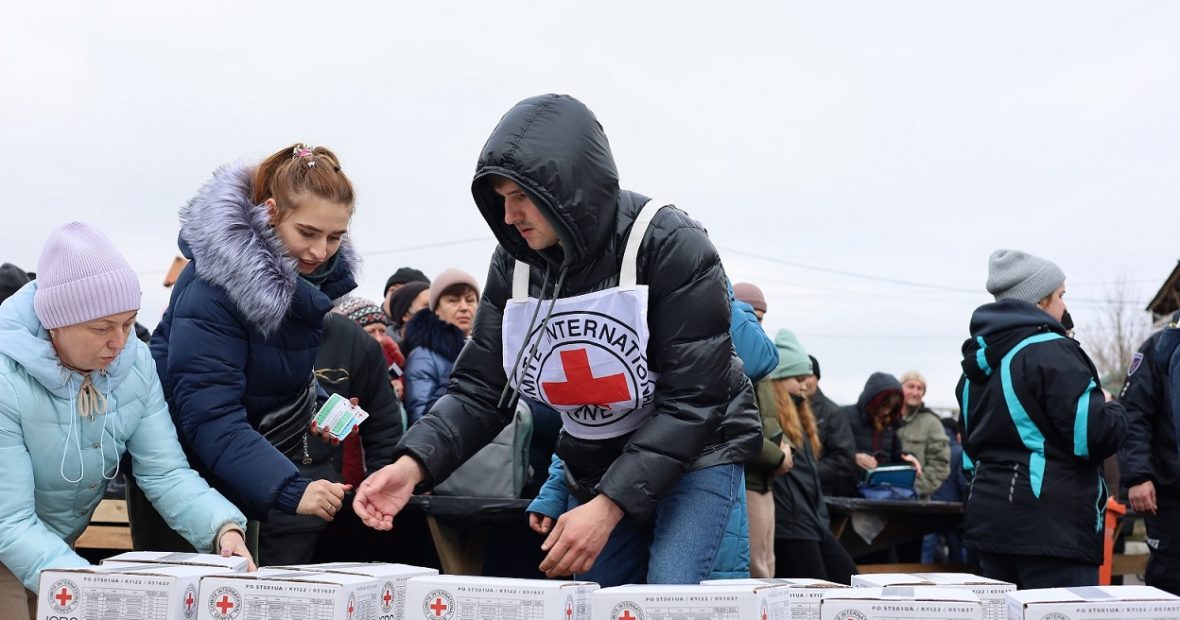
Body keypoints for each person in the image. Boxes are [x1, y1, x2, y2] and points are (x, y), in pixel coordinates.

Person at [354, 94, 761, 586]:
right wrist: (412, 464)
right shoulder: (514, 261)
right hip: (596, 460)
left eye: (522, 197)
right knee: (595, 602)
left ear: (570, 189)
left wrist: (608, 506)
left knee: (667, 597)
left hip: (698, 453)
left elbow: (697, 399)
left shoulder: (669, 243)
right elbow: (481, 389)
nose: (509, 216)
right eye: (501, 198)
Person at [0, 223, 252, 619]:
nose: (120, 341)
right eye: (101, 328)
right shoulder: (5, 380)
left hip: (55, 545)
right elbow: (9, 520)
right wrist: (87, 586)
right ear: (55, 322)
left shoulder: (134, 364)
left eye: (128, 321)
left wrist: (222, 526)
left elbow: (165, 471)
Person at [139, 144, 359, 565]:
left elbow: (268, 375)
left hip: (236, 472)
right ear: (271, 213)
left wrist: (316, 406)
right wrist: (290, 486)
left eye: (336, 237)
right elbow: (208, 412)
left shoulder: (301, 284)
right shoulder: (213, 290)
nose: (321, 251)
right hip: (183, 483)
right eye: (308, 233)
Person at [956, 249, 1125, 588]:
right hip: (1052, 530)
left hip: (989, 524)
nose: (1064, 307)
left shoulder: (974, 368)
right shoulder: (1051, 350)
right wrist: (1112, 406)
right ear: (1040, 301)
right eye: (1061, 296)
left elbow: (970, 456)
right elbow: (1092, 437)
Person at [763, 330, 857, 583]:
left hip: (810, 520)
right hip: (791, 523)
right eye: (798, 378)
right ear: (779, 380)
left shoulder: (800, 418)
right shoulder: (773, 419)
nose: (806, 384)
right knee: (818, 590)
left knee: (848, 579)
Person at [1129, 320, 1180, 594]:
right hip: (1171, 496)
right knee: (1169, 584)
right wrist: (1139, 476)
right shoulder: (1158, 348)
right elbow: (1135, 415)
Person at [402, 268, 480, 426]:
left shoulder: (488, 348)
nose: (464, 307)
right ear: (436, 309)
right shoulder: (424, 354)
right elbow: (420, 418)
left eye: (470, 300)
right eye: (453, 300)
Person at [801, 355, 857, 498]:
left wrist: (806, 473)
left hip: (821, 494)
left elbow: (843, 460)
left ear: (817, 378)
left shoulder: (833, 413)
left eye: (809, 375)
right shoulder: (783, 410)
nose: (804, 381)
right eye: (799, 376)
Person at [897, 370, 950, 498]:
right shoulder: (886, 418)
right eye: (910, 386)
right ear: (900, 388)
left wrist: (913, 488)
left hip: (914, 503)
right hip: (878, 495)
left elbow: (941, 464)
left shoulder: (932, 423)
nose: (915, 392)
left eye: (920, 388)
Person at [386, 280, 431, 347]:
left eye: (436, 305)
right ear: (406, 315)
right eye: (427, 305)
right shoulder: (382, 351)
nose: (436, 311)